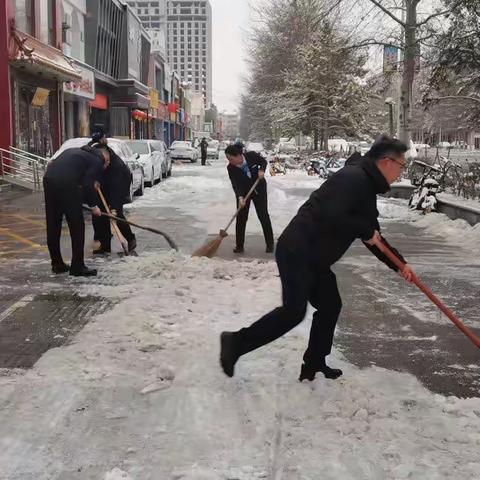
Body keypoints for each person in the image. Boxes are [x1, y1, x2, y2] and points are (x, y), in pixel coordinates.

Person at [220, 136, 414, 381]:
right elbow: (334, 214)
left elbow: (372, 236)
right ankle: (235, 342)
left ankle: (313, 363)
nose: (401, 172)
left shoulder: (365, 187)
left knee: (331, 305)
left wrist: (399, 264)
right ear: (387, 162)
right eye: (401, 166)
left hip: (315, 257)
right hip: (298, 251)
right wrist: (366, 231)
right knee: (293, 312)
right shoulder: (352, 179)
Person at [43, 144, 107, 276]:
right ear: (102, 158)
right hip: (67, 183)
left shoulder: (74, 151)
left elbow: (81, 180)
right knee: (77, 226)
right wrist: (94, 206)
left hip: (49, 179)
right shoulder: (97, 161)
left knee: (53, 223)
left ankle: (57, 263)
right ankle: (77, 266)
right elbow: (88, 184)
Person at [87, 141, 137, 255]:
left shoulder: (117, 167)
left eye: (108, 160)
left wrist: (113, 207)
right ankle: (105, 246)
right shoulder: (94, 156)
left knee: (117, 214)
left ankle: (130, 239)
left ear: (108, 155)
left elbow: (116, 189)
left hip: (120, 185)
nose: (107, 163)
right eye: (104, 161)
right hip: (102, 185)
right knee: (100, 215)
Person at [225, 144, 274, 254]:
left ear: (238, 155)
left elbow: (263, 161)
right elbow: (235, 184)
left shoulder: (251, 156)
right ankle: (239, 246)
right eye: (228, 159)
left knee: (263, 215)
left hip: (259, 189)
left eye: (231, 158)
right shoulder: (231, 168)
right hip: (243, 192)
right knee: (241, 217)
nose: (230, 161)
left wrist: (261, 170)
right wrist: (240, 197)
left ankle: (270, 244)